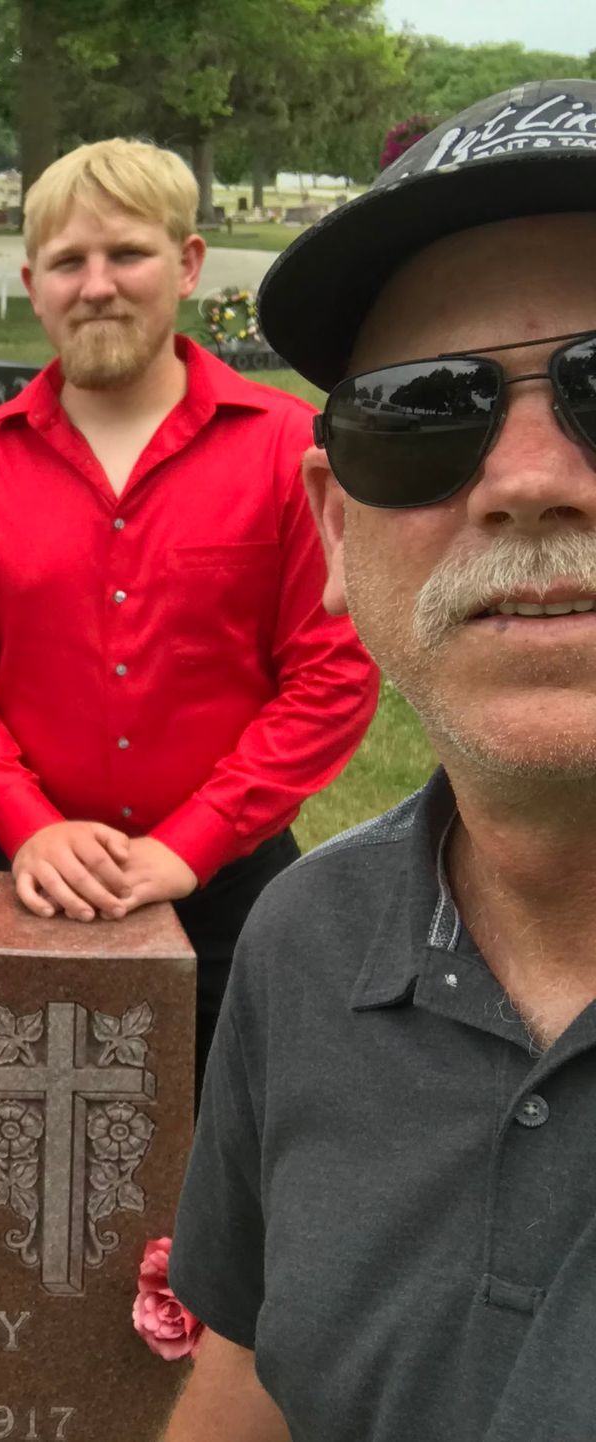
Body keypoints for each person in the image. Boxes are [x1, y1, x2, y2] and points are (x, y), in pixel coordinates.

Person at [163, 81, 596, 1441]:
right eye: (424, 410)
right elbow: (245, 1385)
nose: (527, 478)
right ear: (335, 530)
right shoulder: (305, 944)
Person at [0, 138, 377, 1082]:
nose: (98, 286)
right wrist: (26, 821)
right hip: (26, 871)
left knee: (236, 1160)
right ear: (33, 283)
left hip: (235, 884)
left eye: (127, 254)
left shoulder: (288, 452)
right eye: (70, 263)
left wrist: (188, 845)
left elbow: (331, 678)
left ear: (188, 263)